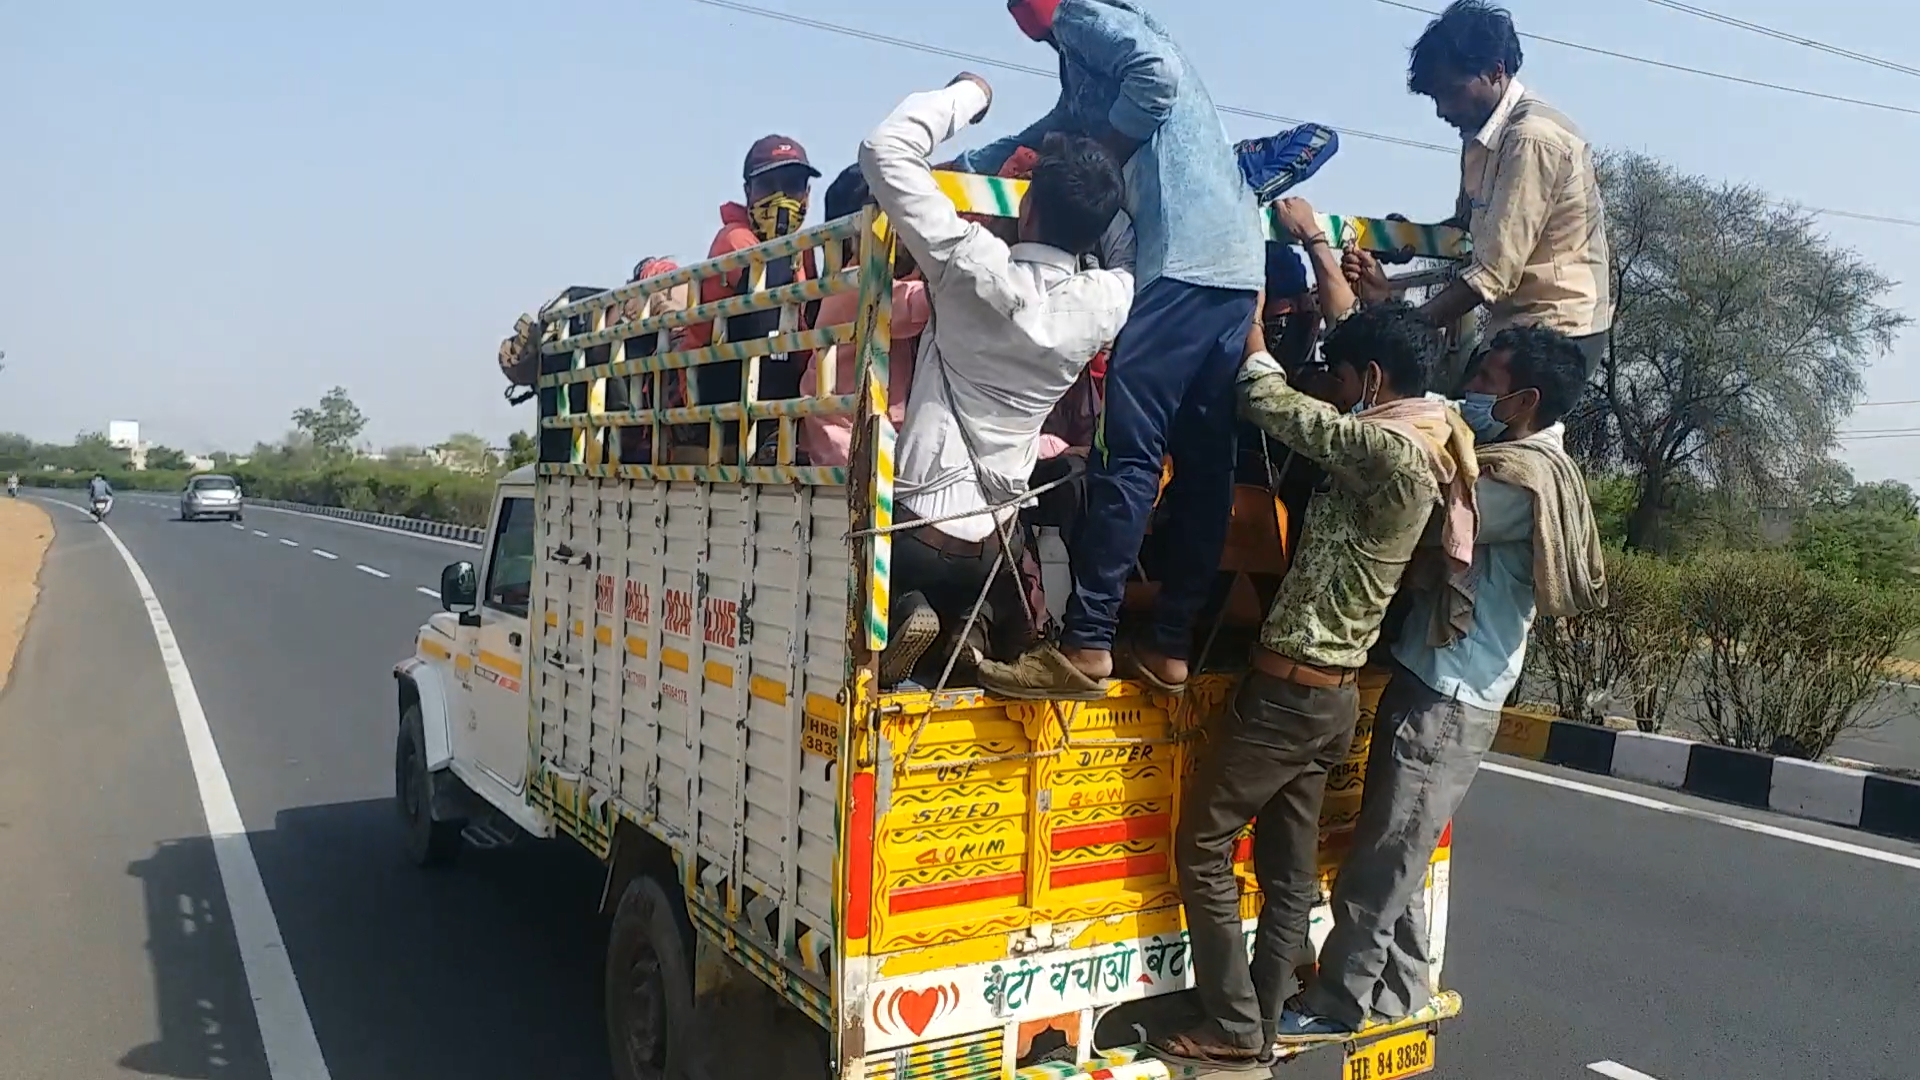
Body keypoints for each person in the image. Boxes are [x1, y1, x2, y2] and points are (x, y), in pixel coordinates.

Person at [1278, 325, 1606, 1043]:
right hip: (1438, 679)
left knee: (1386, 853)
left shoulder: (1517, 480)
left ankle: (1336, 1000)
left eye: (1487, 380)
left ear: (1523, 400)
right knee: (1401, 845)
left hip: (1452, 693)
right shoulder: (1507, 459)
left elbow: (1420, 508)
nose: (1472, 392)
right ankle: (1400, 991)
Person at [1153, 301, 1452, 1071]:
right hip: (1332, 698)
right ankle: (1261, 1005)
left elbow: (1271, 405)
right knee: (1287, 868)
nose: (1337, 390)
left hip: (1287, 697)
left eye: (1345, 379)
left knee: (1203, 847)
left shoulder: (1391, 452)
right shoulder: (1432, 439)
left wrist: (1250, 331)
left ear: (1374, 380)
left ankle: (1232, 1023)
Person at [965, 0, 1266, 701]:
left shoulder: (1084, 18)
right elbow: (1060, 131)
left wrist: (1105, 153)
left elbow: (1152, 79)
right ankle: (1169, 649)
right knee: (1202, 461)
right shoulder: (1087, 56)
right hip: (1231, 269)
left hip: (1182, 263)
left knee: (1125, 454)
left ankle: (1088, 641)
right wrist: (969, 165)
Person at [858, 74, 1133, 686]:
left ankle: (911, 608)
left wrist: (969, 95)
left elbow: (884, 150)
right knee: (985, 573)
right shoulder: (1107, 301)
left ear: (1026, 210)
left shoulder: (971, 266)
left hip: (914, 533)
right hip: (993, 544)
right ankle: (969, 623)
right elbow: (1123, 249)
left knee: (854, 567)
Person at [1355, 0, 1611, 382]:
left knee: (1470, 431)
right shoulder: (1479, 132)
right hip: (1514, 321)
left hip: (1559, 328)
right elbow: (1468, 228)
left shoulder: (1531, 139)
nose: (1442, 109)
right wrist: (1404, 238)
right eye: (1435, 97)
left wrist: (1407, 327)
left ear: (1495, 71)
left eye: (1451, 92)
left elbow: (1493, 271)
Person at [684, 135, 823, 458]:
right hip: (722, 392)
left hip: (778, 394)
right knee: (768, 273)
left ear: (807, 194)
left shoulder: (803, 252)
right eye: (769, 185)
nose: (781, 198)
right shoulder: (735, 240)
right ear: (748, 192)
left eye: (792, 186)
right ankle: (769, 434)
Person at [798, 165, 932, 468]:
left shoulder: (867, 279)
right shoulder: (855, 282)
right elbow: (919, 303)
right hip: (844, 443)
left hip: (865, 432)